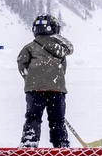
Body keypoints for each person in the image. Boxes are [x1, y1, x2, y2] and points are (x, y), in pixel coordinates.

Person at [17, 15, 74, 148]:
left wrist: (32, 79)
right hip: (57, 90)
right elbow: (62, 68)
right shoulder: (60, 49)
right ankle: (61, 143)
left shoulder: (29, 47)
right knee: (57, 119)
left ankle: (29, 141)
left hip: (35, 90)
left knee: (33, 117)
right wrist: (53, 81)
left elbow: (22, 64)